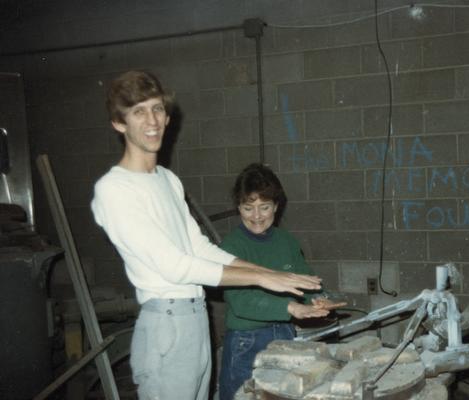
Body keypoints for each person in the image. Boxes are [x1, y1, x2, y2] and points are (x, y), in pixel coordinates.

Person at [90, 70, 322, 400]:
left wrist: (267, 273)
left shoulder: (167, 180)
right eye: (138, 111)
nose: (152, 120)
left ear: (167, 117)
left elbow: (199, 247)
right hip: (166, 323)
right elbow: (176, 266)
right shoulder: (115, 189)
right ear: (118, 123)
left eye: (157, 108)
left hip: (197, 320)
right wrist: (261, 279)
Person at [218, 163, 343, 400]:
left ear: (276, 206)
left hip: (284, 333)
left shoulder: (286, 241)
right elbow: (241, 302)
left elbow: (305, 280)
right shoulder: (231, 247)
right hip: (246, 342)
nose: (256, 216)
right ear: (238, 207)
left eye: (264, 207)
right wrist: (292, 308)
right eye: (248, 208)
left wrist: (319, 299)